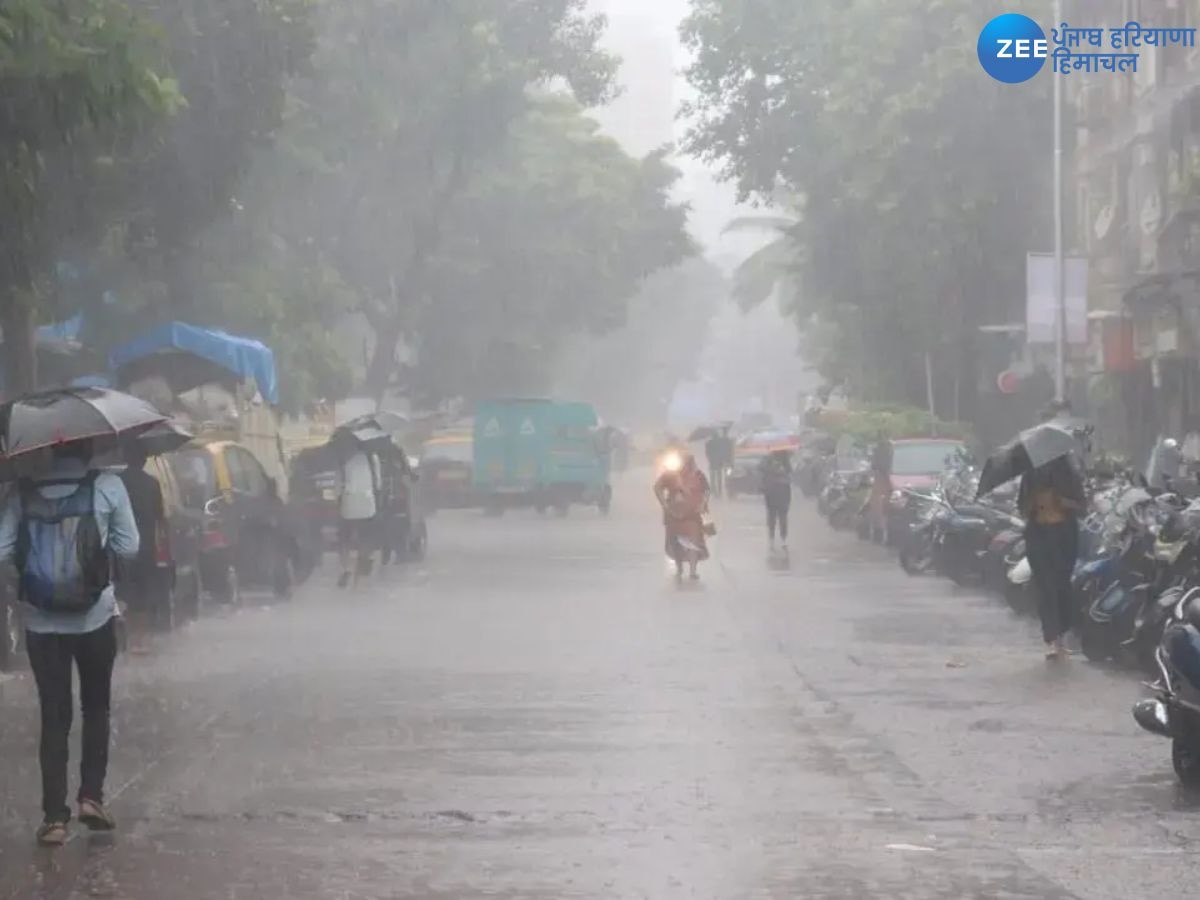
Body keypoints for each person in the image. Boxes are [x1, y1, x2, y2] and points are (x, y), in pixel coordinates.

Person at [0, 441, 139, 845]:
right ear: (90, 447)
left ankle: (54, 817)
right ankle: (91, 797)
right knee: (96, 706)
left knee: (54, 715)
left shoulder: (21, 491)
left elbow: (2, 548)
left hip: (41, 621)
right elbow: (129, 546)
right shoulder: (108, 485)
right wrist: (101, 545)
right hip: (94, 615)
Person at [1019, 437, 1086, 661]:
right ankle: (1052, 639)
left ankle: (1063, 635)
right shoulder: (1029, 476)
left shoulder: (1069, 475)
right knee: (1045, 587)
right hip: (1039, 537)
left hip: (1063, 535)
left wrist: (1062, 502)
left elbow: (1081, 504)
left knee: (1062, 586)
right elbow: (1022, 506)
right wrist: (1031, 504)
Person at [117, 444, 167, 648]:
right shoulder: (152, 483)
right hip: (146, 547)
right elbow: (160, 517)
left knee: (123, 591)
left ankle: (127, 637)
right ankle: (142, 638)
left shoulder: (117, 482)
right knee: (144, 593)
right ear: (144, 460)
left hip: (121, 547)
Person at [654, 453, 711, 581]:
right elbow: (657, 488)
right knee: (676, 543)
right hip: (674, 515)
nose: (687, 466)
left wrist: (702, 504)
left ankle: (692, 571)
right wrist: (664, 504)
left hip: (693, 515)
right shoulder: (670, 476)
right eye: (685, 463)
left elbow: (707, 491)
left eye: (689, 463)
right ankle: (679, 568)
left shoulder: (699, 475)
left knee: (693, 541)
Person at [336, 437, 381, 588]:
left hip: (348, 505)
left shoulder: (342, 459)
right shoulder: (372, 458)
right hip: (368, 505)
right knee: (366, 537)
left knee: (346, 539)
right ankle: (363, 566)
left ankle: (347, 568)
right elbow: (378, 484)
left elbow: (337, 487)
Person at [760, 449, 793, 551]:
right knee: (778, 516)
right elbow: (761, 468)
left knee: (775, 516)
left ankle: (776, 539)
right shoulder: (771, 459)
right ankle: (778, 539)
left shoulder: (783, 460)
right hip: (777, 491)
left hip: (776, 491)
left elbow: (789, 471)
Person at [867, 431, 893, 543]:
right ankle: (879, 532)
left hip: (887, 479)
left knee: (879, 507)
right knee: (878, 507)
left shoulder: (888, 449)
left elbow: (874, 465)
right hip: (884, 479)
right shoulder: (885, 449)